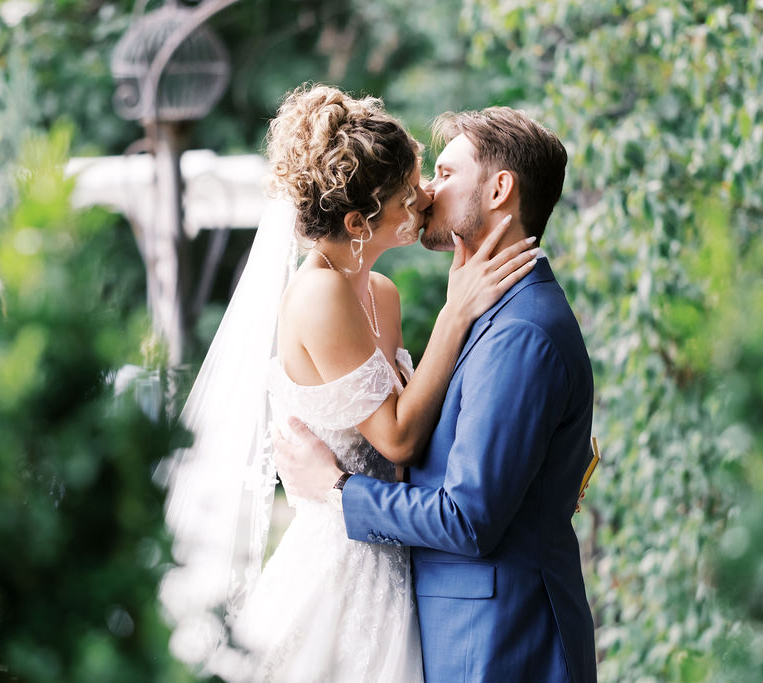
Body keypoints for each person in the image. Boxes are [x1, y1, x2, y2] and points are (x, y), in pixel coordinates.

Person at [160, 86, 539, 682]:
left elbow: (420, 415)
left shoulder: (379, 293)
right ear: (360, 222)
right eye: (407, 193)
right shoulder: (318, 295)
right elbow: (394, 439)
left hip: (397, 549)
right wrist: (454, 315)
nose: (424, 199)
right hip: (344, 562)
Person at [274, 107, 598, 682]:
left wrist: (336, 488)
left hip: (499, 643)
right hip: (425, 615)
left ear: (500, 190)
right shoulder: (486, 312)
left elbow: (467, 516)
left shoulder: (519, 331)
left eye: (445, 174)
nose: (425, 192)